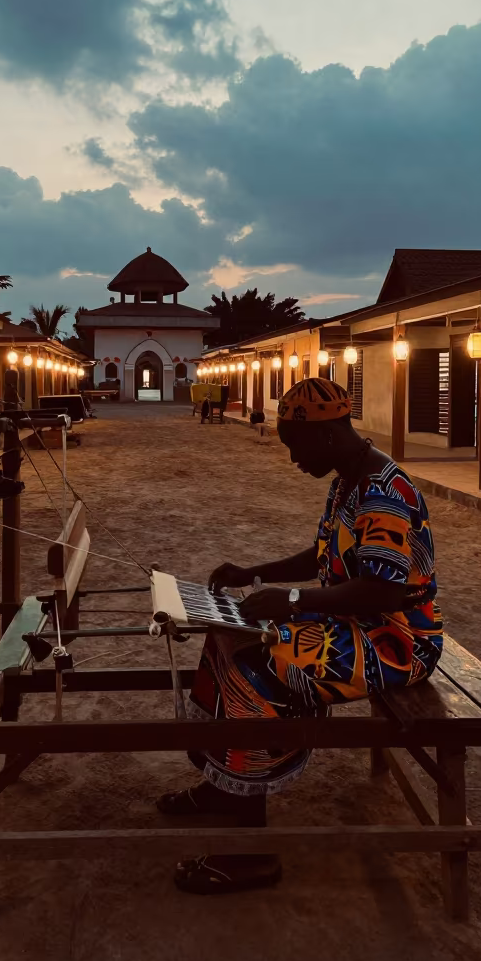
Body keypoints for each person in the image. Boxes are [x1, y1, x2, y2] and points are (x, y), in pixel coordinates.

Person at [157, 377, 444, 894]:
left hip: (396, 640)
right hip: (357, 623)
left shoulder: (385, 492)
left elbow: (381, 590)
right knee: (225, 638)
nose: (292, 458)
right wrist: (253, 572)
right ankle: (226, 785)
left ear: (328, 434)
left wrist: (292, 602)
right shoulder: (349, 479)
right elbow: (325, 555)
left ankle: (252, 854)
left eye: (295, 445)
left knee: (258, 669)